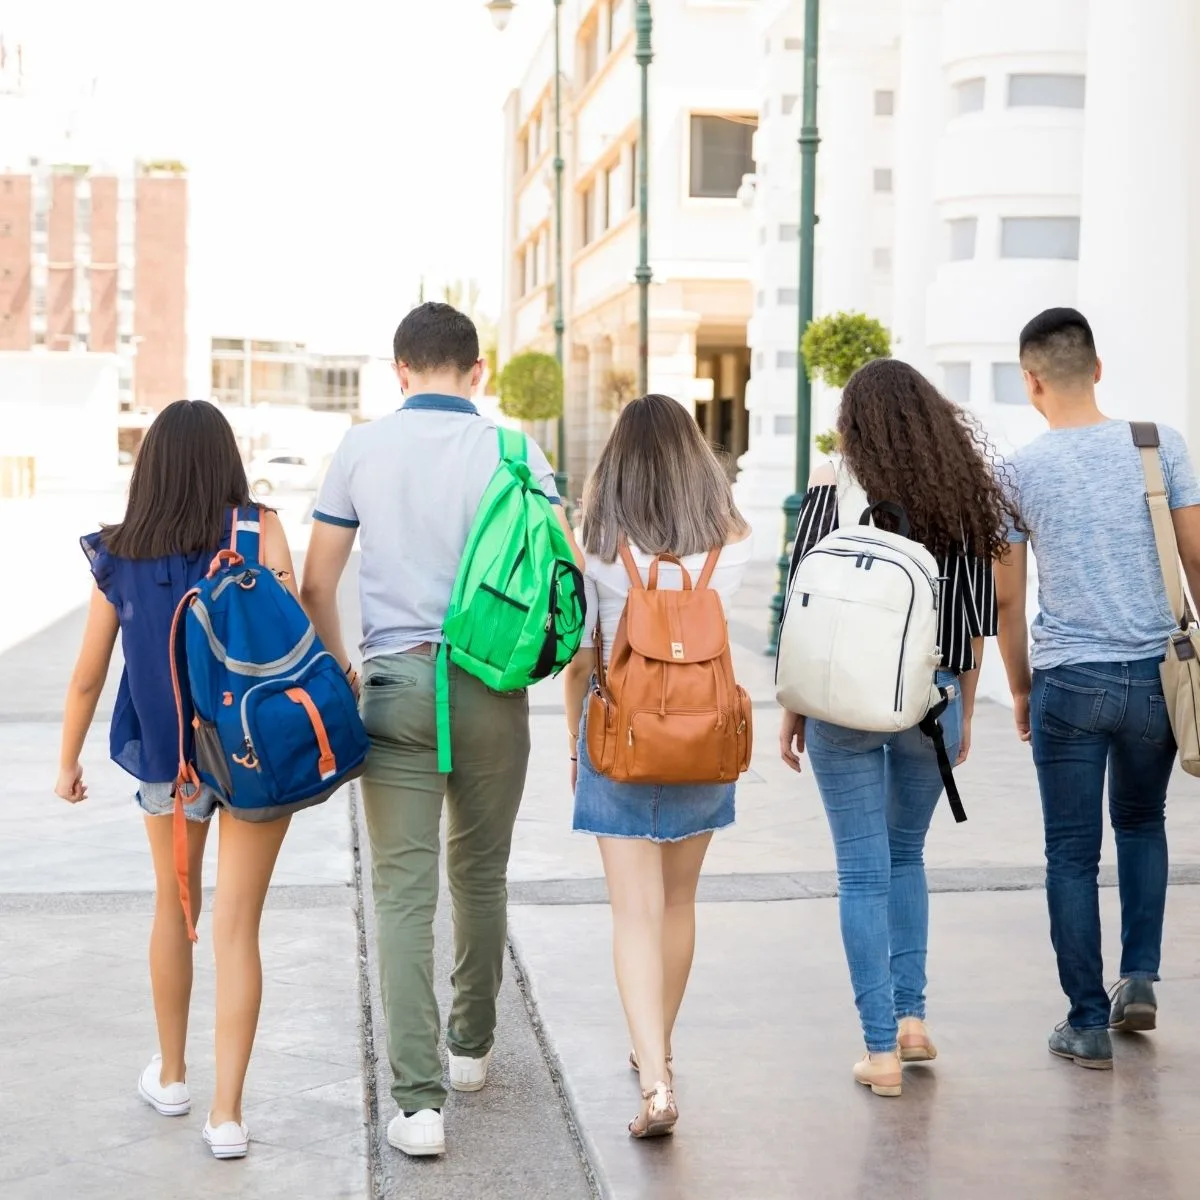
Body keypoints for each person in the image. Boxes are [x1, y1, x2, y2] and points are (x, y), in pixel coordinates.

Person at [300, 302, 581, 1158]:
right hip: (493, 685)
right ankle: (471, 1049)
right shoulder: (515, 449)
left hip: (394, 682)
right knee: (482, 874)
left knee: (402, 891)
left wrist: (347, 666)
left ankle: (417, 1104)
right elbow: (560, 574)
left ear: (399, 371)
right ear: (478, 372)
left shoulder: (360, 448)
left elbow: (317, 583)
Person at [55, 400, 299, 1159]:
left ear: (151, 465)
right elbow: (295, 633)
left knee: (175, 908)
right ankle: (226, 1116)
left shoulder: (123, 551)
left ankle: (171, 1075)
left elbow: (90, 676)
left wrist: (67, 760)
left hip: (171, 760)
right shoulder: (258, 530)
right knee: (238, 926)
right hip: (257, 754)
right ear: (227, 458)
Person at [778, 358, 1013, 1097]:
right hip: (928, 699)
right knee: (906, 856)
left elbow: (801, 601)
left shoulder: (831, 485)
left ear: (854, 422)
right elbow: (974, 621)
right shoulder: (959, 489)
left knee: (861, 870)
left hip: (840, 699)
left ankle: (880, 1053)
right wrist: (965, 704)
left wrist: (792, 708)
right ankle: (912, 1021)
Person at [995, 308, 1200, 1069]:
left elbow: (1009, 600)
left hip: (1068, 682)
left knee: (1070, 856)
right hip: (1155, 679)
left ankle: (1085, 1022)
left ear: (1032, 381)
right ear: (1099, 369)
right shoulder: (1159, 445)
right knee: (1143, 824)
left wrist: (1020, 687)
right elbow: (1198, 558)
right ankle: (1138, 978)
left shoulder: (1017, 472)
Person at [561, 393, 752, 1138]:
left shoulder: (600, 542)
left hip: (621, 736)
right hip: (705, 740)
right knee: (678, 906)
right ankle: (657, 1053)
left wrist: (573, 747)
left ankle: (657, 1080)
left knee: (633, 913)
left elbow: (582, 656)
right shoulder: (733, 540)